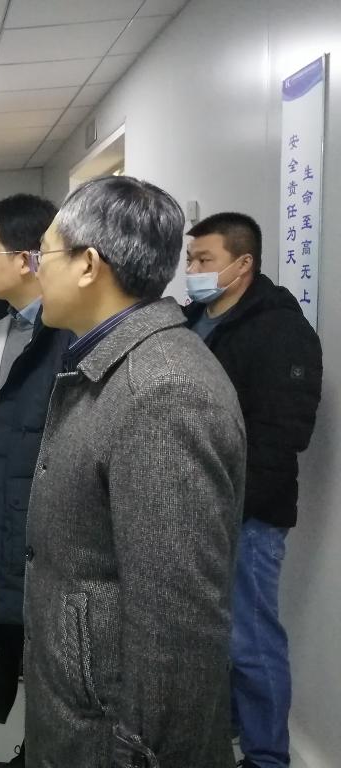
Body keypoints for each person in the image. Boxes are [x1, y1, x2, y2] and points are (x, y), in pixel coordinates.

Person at [24, 176, 246, 767]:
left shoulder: (162, 392)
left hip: (113, 733)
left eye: (43, 255)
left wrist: (144, 753)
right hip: (82, 698)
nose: (35, 272)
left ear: (88, 265)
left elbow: (179, 624)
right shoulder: (110, 363)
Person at [183, 212, 322, 768]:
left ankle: (267, 758)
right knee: (211, 636)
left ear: (243, 263)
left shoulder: (280, 329)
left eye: (204, 259)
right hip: (195, 506)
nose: (193, 270)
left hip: (249, 514)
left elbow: (284, 435)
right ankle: (229, 730)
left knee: (251, 640)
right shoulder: (192, 320)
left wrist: (233, 505)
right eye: (190, 259)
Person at [0, 194, 70, 768]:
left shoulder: (70, 335)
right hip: (6, 521)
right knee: (21, 649)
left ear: (27, 258)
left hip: (48, 536)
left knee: (54, 661)